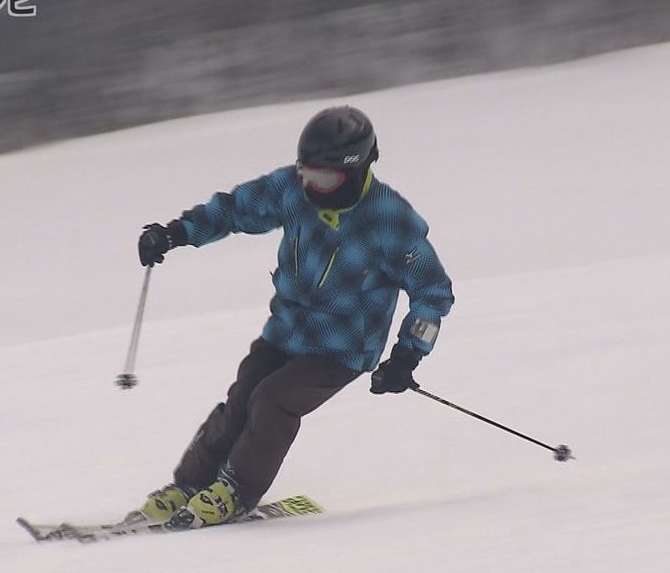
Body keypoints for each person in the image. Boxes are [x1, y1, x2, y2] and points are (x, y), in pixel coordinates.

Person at [134, 106, 454, 528]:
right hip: (285, 330)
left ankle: (237, 490)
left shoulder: (390, 221)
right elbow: (234, 210)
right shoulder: (292, 189)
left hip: (343, 348)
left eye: (323, 179)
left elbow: (433, 292)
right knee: (242, 398)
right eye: (306, 173)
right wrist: (175, 233)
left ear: (356, 172)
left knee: (273, 400)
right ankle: (192, 483)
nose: (312, 186)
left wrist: (407, 356)